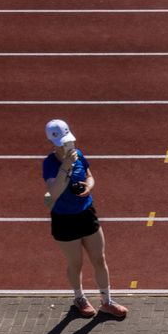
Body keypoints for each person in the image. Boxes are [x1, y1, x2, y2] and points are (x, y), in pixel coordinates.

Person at [42, 118, 128, 321]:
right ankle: (79, 298)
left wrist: (89, 186)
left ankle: (107, 301)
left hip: (86, 213)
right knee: (76, 263)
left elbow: (90, 176)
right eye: (63, 143)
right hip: (64, 219)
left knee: (99, 259)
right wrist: (66, 166)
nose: (68, 146)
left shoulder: (78, 154)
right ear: (53, 143)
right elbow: (54, 192)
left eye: (68, 141)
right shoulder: (49, 163)